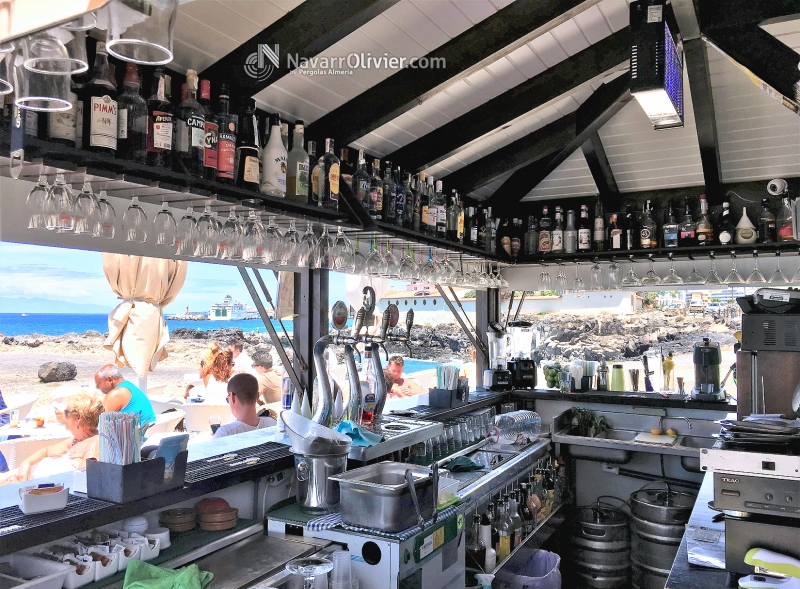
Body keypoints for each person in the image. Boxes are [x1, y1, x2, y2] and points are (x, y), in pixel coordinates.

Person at [13, 392, 104, 482]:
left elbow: (82, 481)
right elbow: (46, 451)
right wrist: (26, 463)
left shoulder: (95, 443)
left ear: (78, 417)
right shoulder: (76, 440)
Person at [213, 374, 276, 438]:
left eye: (227, 399)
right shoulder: (273, 425)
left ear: (232, 397)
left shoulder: (225, 433)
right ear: (257, 396)